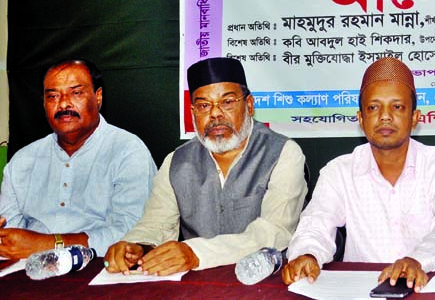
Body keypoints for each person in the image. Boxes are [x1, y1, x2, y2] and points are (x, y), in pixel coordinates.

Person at [281, 57, 435, 292]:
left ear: (415, 117)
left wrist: (417, 260)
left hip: (429, 287)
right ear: (361, 119)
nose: (385, 116)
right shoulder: (339, 171)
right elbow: (316, 223)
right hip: (359, 292)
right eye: (373, 107)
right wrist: (307, 254)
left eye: (398, 107)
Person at [104, 57, 307, 275]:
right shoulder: (177, 162)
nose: (215, 114)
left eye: (227, 102)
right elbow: (156, 224)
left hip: (264, 282)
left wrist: (196, 253)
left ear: (249, 105)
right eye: (203, 105)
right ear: (193, 113)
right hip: (198, 285)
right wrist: (136, 246)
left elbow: (274, 232)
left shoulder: (283, 153)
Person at [0, 59, 156, 259]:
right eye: (53, 96)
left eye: (76, 93)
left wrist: (48, 244)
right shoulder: (22, 161)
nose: (64, 103)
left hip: (100, 272)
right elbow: (11, 236)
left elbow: (134, 234)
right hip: (29, 274)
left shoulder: (128, 151)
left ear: (98, 97)